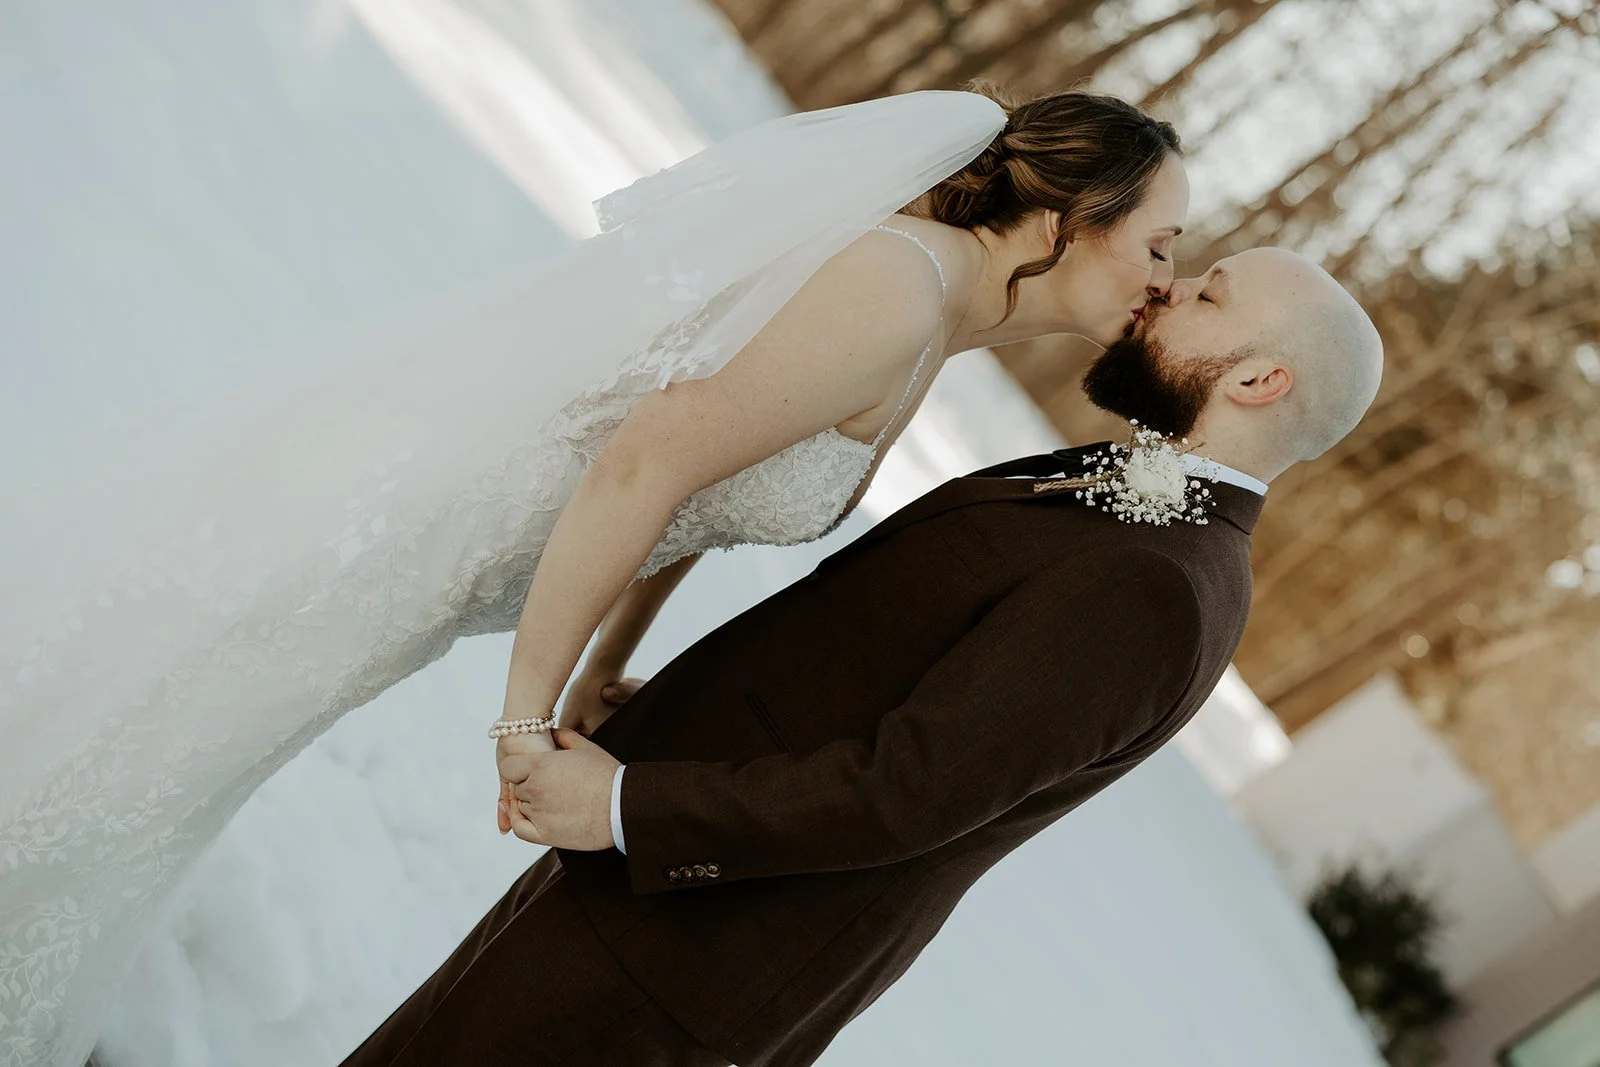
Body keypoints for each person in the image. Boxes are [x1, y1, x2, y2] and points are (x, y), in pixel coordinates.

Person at [0, 86, 1186, 1067]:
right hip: (420, 526)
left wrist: (606, 663)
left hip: (458, 570)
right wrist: (523, 712)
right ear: (1067, 218)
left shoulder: (938, 316)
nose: (1166, 275)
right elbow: (645, 457)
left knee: (182, 741)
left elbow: (698, 504)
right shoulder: (899, 285)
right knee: (157, 724)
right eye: (1158, 240)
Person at [339, 246, 1385, 1066]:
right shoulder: (1124, 501)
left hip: (687, 959)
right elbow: (901, 681)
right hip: (653, 895)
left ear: (1255, 377)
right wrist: (678, 725)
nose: (1167, 291)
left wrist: (627, 809)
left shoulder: (1159, 587)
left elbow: (907, 792)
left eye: (1208, 294)